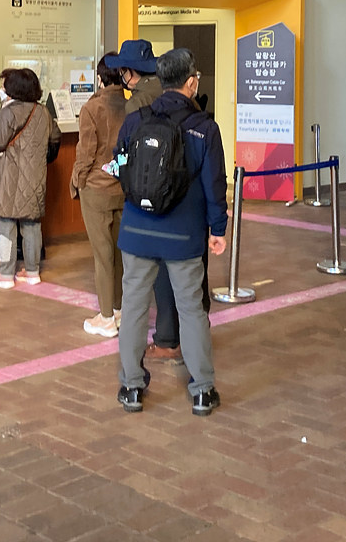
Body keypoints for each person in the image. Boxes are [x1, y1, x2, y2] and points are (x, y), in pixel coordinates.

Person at [114, 48, 227, 416]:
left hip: (136, 230)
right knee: (191, 309)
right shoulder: (204, 129)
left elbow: (118, 165)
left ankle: (132, 387)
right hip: (183, 235)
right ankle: (202, 391)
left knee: (133, 306)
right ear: (191, 82)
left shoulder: (135, 121)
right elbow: (214, 185)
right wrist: (218, 228)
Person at [104, 39, 203, 363]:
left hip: (153, 204)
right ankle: (196, 364)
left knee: (153, 284)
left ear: (129, 71)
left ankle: (162, 345)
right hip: (188, 208)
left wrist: (124, 178)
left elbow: (126, 159)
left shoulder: (139, 106)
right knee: (187, 289)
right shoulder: (183, 98)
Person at [0, 68, 56, 289]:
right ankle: (32, 273)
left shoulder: (9, 112)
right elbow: (55, 137)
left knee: (5, 225)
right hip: (36, 177)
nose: (2, 89)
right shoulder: (43, 112)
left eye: (4, 85)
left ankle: (5, 275)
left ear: (14, 88)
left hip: (9, 177)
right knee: (32, 226)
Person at [70, 57, 128, 338]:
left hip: (96, 188)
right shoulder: (131, 105)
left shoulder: (92, 108)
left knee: (102, 256)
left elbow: (86, 153)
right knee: (118, 253)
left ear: (100, 78)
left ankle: (105, 318)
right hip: (123, 188)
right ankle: (118, 309)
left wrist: (77, 181)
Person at [102, 40, 161, 114]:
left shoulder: (135, 104)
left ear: (129, 72)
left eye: (122, 70)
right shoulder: (169, 89)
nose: (120, 74)